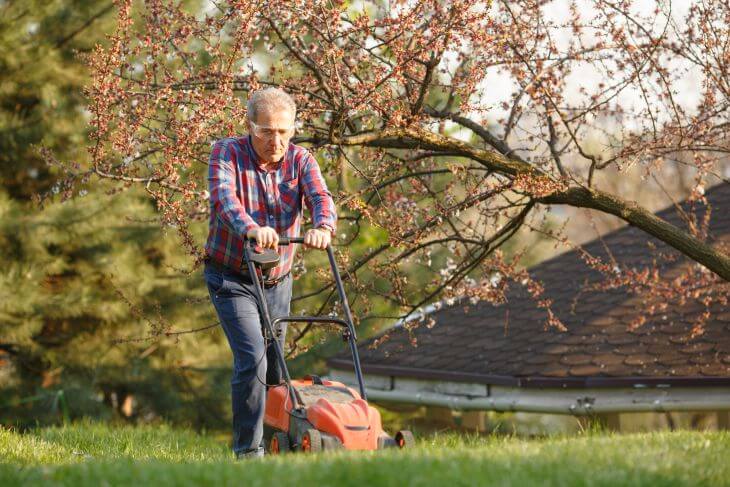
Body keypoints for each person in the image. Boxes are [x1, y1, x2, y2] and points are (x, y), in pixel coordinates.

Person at [203, 87, 336, 459]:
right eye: (266, 131)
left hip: (278, 279)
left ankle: (282, 445)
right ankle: (249, 453)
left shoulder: (302, 160)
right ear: (250, 127)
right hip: (231, 277)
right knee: (253, 360)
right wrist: (250, 227)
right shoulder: (225, 152)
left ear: (293, 129)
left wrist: (322, 227)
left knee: (276, 367)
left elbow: (321, 197)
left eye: (283, 131)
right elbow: (224, 199)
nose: (275, 140)